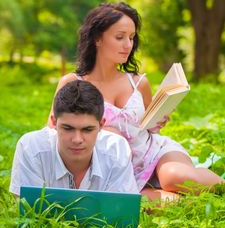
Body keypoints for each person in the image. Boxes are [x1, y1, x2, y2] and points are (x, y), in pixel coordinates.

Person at [47, 2, 223, 202]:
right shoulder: (72, 83)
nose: (128, 45)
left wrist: (157, 121)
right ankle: (188, 198)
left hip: (155, 154)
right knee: (150, 204)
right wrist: (103, 134)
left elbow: (148, 129)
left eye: (131, 38)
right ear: (97, 38)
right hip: (117, 170)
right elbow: (52, 131)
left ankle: (219, 184)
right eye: (120, 37)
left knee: (174, 176)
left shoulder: (139, 82)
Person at [10, 80, 139, 197]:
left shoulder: (117, 150)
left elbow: (121, 214)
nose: (77, 139)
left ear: (101, 125)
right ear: (54, 122)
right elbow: (29, 213)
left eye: (87, 129)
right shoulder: (31, 147)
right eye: (68, 128)